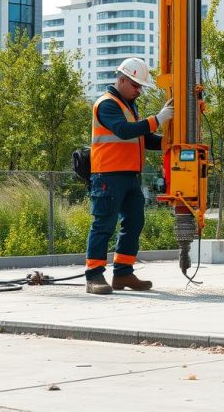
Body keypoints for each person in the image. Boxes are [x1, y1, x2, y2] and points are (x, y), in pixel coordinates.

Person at [85, 57, 174, 295]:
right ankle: (94, 276)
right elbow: (124, 131)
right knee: (103, 224)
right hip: (107, 176)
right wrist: (158, 119)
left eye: (140, 86)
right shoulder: (107, 104)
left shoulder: (129, 106)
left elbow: (141, 137)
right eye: (135, 85)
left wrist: (169, 142)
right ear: (121, 79)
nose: (139, 90)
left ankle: (123, 272)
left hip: (130, 176)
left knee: (134, 222)